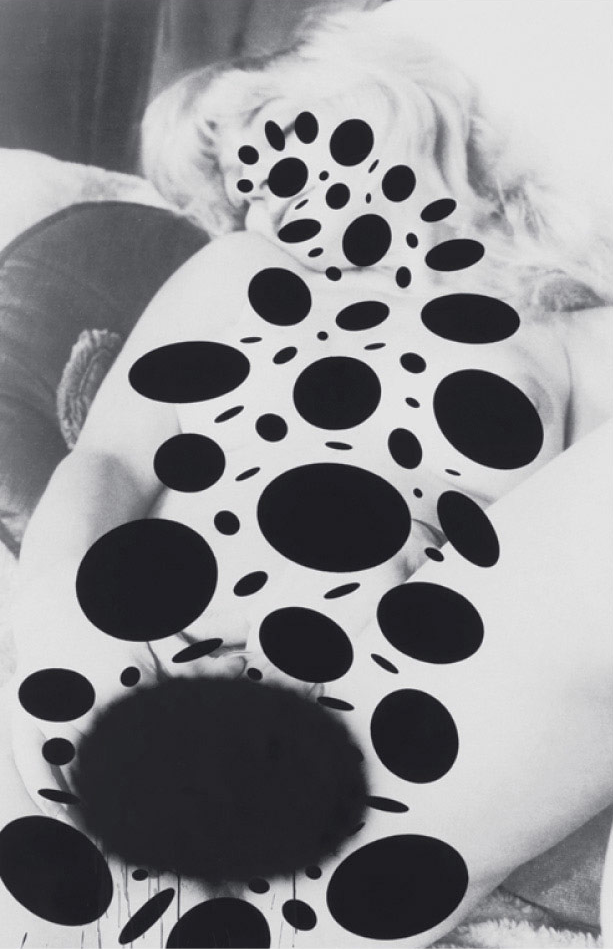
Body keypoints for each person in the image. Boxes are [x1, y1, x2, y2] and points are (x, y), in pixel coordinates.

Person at [4, 4, 612, 946]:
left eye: (269, 129)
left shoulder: (571, 334)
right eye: (232, 185)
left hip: (402, 715)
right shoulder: (238, 271)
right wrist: (60, 618)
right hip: (151, 664)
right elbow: (111, 457)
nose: (256, 192)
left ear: (398, 99)